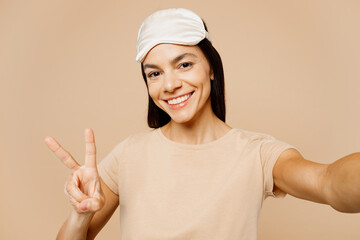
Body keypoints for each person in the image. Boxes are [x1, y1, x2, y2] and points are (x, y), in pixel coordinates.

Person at [44, 8, 360, 240]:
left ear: (211, 67)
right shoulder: (129, 155)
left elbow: (328, 182)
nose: (169, 84)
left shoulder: (257, 154)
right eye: (154, 73)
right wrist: (80, 215)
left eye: (184, 64)